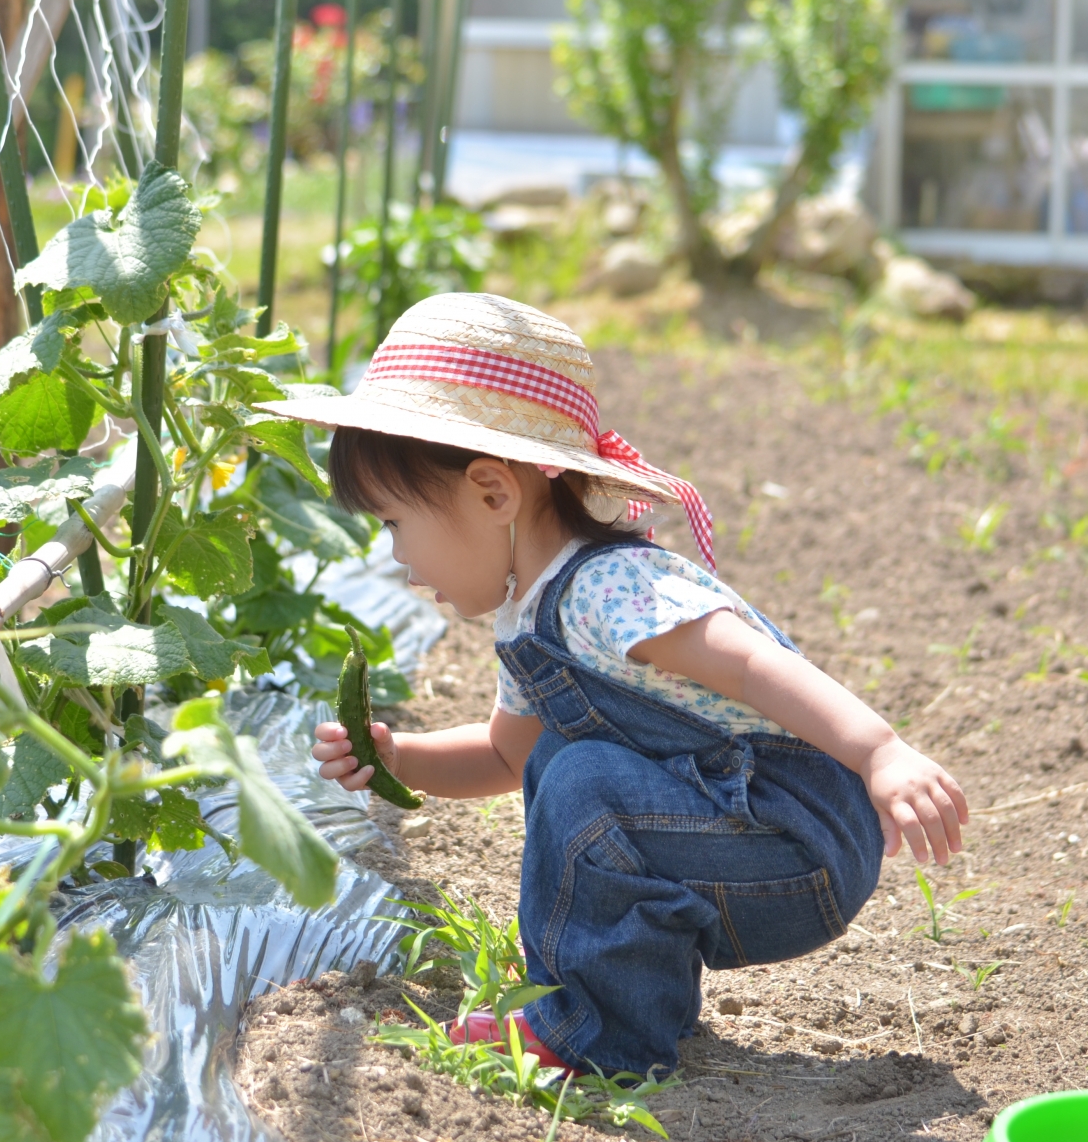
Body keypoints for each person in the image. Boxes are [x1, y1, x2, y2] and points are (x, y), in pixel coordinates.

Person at [260, 293, 967, 1080]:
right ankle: (635, 1007)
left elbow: (751, 663)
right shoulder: (530, 618)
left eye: (394, 522)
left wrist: (880, 753)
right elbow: (504, 756)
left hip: (795, 836)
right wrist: (400, 758)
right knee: (560, 764)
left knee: (584, 781)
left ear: (493, 494)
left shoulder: (606, 589)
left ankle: (593, 1036)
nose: (395, 555)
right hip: (735, 832)